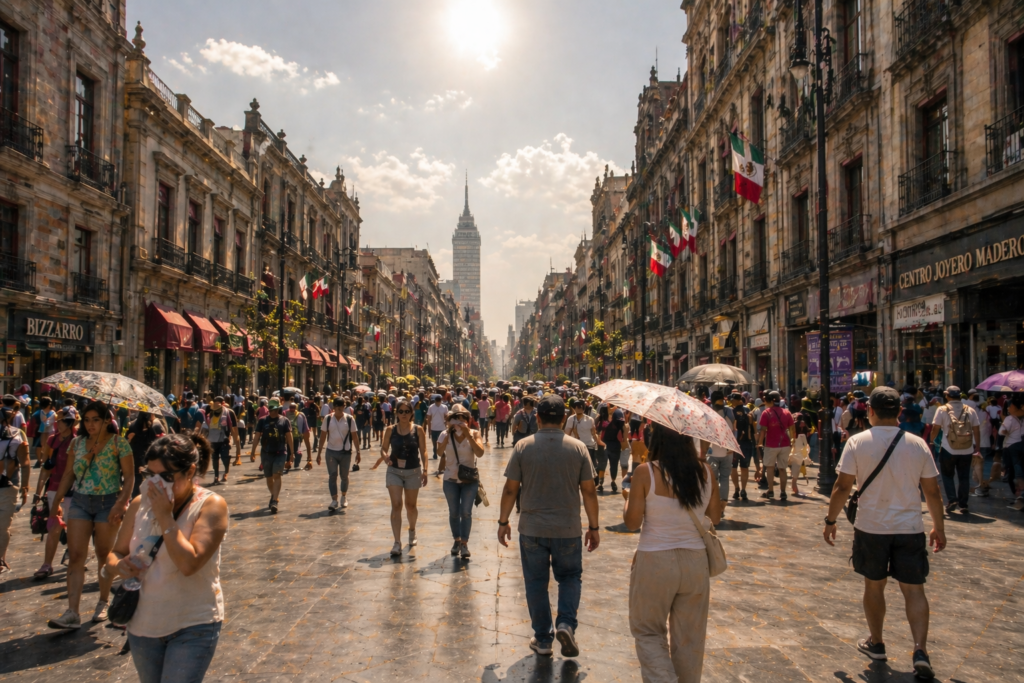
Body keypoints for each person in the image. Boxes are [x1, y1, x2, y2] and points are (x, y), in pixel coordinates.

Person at [824, 387, 946, 680]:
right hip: (910, 527)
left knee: (874, 585)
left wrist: (830, 520)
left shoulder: (857, 442)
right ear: (899, 413)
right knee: (914, 589)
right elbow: (932, 491)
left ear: (870, 412)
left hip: (871, 527)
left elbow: (842, 487)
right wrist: (938, 527)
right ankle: (920, 650)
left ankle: (876, 642)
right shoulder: (917, 444)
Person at [107, 433, 228, 683]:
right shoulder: (140, 503)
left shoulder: (211, 505)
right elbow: (115, 552)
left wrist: (165, 516)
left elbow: (189, 563)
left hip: (193, 623)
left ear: (190, 471)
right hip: (144, 624)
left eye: (166, 476)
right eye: (150, 474)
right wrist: (119, 565)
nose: (157, 483)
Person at [498, 395, 599, 658]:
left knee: (535, 582)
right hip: (568, 528)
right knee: (569, 577)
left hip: (532, 528)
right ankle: (565, 623)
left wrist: (503, 521)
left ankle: (543, 638)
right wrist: (594, 527)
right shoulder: (578, 448)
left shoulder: (523, 447)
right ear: (564, 418)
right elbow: (589, 491)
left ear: (538, 418)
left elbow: (511, 489)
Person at [622, 423, 722, 682]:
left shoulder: (646, 473)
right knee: (690, 636)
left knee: (647, 631)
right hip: (695, 562)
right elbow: (715, 517)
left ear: (656, 441)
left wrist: (627, 499)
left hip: (655, 559)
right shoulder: (706, 472)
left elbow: (632, 523)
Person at [47, 401, 134, 629]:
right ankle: (72, 612)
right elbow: (68, 475)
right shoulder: (77, 443)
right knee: (76, 556)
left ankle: (103, 602)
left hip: (108, 502)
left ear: (107, 421)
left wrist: (121, 503)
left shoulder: (119, 443)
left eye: (96, 419)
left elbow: (129, 477)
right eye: (86, 420)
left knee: (104, 555)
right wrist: (56, 502)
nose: (90, 424)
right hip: (80, 501)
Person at [372, 399, 429, 556]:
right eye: (401, 411)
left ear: (411, 413)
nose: (404, 414)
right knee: (396, 505)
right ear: (396, 413)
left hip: (413, 471)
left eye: (407, 411)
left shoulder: (418, 430)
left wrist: (425, 470)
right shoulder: (390, 430)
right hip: (394, 471)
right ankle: (397, 542)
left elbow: (424, 451)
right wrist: (385, 458)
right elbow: (383, 449)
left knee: (411, 506)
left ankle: (412, 530)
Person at [31, 408, 78, 579]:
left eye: (62, 420)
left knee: (73, 526)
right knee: (54, 526)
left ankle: (74, 558)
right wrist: (38, 491)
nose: (58, 422)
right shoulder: (52, 440)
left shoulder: (78, 440)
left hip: (74, 490)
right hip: (54, 487)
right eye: (59, 419)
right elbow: (46, 467)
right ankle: (47, 564)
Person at [437, 404, 485, 558]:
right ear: (450, 420)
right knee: (453, 512)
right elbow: (439, 452)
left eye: (462, 419)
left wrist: (468, 434)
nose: (459, 422)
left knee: (466, 512)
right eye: (455, 419)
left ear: (468, 420)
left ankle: (464, 543)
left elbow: (480, 453)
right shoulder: (444, 434)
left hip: (469, 480)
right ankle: (456, 540)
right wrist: (448, 435)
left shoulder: (475, 433)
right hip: (450, 479)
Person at [931, 386, 981, 514]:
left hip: (948, 448)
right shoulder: (970, 410)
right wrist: (978, 447)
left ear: (947, 396)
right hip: (967, 449)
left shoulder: (942, 409)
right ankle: (963, 504)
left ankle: (952, 500)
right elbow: (976, 429)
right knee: (964, 477)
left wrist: (931, 441)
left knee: (947, 475)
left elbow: (935, 428)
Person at [0, 406, 30, 576]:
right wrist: (25, 487)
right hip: (7, 486)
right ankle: (1, 559)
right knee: (3, 527)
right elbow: (25, 464)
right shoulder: (17, 435)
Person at [249, 399, 294, 514]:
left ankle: (274, 501)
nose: (272, 412)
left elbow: (289, 437)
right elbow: (257, 436)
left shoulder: (284, 421)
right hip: (266, 453)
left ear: (278, 409)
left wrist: (292, 453)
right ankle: (274, 495)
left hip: (280, 453)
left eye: (274, 409)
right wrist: (253, 451)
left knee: (276, 475)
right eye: (271, 410)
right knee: (269, 478)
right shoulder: (262, 421)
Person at [316, 397, 361, 510]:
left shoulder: (350, 419)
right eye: (338, 406)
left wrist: (358, 451)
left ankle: (344, 496)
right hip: (331, 451)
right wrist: (319, 453)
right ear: (334, 407)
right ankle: (334, 500)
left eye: (342, 406)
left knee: (344, 476)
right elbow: (322, 437)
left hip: (345, 452)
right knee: (332, 475)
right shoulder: (327, 419)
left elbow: (355, 437)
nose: (340, 408)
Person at [757, 391, 795, 501]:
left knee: (770, 468)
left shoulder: (766, 413)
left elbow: (763, 431)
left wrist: (759, 443)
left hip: (771, 444)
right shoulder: (787, 412)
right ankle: (783, 492)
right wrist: (792, 440)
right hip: (785, 444)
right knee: (783, 468)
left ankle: (771, 490)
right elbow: (792, 428)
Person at [706, 391, 735, 513]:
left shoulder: (707, 412)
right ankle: (722, 505)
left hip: (712, 451)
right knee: (724, 478)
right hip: (728, 450)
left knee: (713, 479)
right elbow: (733, 429)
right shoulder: (729, 412)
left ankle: (715, 504)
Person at [126, 412, 167, 497]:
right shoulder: (152, 428)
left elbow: (127, 442)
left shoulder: (133, 426)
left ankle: (136, 501)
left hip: (135, 460)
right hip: (146, 461)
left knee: (137, 485)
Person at [205, 397, 241, 485]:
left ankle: (225, 473)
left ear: (222, 403)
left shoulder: (228, 412)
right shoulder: (210, 413)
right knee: (215, 458)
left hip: (224, 439)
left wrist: (234, 442)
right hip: (213, 440)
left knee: (225, 458)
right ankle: (216, 476)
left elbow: (232, 427)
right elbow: (207, 426)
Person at [564, 399, 603, 477]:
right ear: (574, 408)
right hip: (575, 447)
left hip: (589, 446)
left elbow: (593, 433)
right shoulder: (571, 419)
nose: (579, 409)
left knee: (589, 468)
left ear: (584, 408)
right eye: (577, 407)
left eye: (580, 407)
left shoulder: (590, 419)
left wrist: (599, 444)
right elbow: (567, 434)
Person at [731, 392, 755, 501]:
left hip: (735, 443)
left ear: (735, 400)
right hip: (747, 443)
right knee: (745, 468)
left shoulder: (732, 412)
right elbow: (753, 427)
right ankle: (743, 490)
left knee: (733, 467)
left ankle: (736, 488)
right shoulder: (748, 411)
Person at [426, 395, 449, 460]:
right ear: (435, 401)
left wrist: (446, 424)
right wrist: (429, 428)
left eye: (439, 401)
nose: (438, 402)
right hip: (434, 428)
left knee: (442, 442)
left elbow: (447, 416)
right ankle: (435, 453)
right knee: (434, 442)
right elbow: (429, 418)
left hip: (442, 428)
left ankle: (442, 454)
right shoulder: (431, 407)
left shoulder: (444, 407)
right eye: (437, 401)